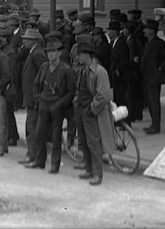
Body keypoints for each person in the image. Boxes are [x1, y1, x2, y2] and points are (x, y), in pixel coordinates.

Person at [26, 37, 75, 173]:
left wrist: (60, 103)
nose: (50, 54)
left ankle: (55, 164)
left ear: (59, 53)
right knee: (39, 134)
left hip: (57, 107)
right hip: (43, 105)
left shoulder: (66, 70)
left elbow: (71, 92)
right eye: (48, 52)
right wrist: (38, 98)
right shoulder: (44, 67)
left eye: (53, 51)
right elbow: (36, 84)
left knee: (56, 136)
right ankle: (40, 161)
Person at [73, 37, 115, 186]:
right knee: (84, 141)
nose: (78, 57)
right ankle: (89, 169)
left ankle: (97, 173)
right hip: (82, 109)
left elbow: (103, 94)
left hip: (91, 111)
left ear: (88, 55)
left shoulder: (99, 71)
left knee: (93, 143)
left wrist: (92, 109)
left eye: (80, 54)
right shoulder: (84, 70)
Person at [18, 27, 47, 165]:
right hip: (31, 97)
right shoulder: (33, 52)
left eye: (26, 39)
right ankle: (31, 153)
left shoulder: (37, 54)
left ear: (33, 41)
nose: (24, 40)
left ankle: (32, 155)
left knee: (32, 126)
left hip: (34, 98)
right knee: (31, 126)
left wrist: (38, 96)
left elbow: (43, 76)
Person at [140, 19, 165, 134]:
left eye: (146, 28)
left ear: (152, 30)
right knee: (149, 102)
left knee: (154, 102)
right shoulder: (147, 43)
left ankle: (156, 125)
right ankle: (153, 124)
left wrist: (160, 69)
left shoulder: (160, 44)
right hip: (146, 77)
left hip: (154, 77)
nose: (144, 30)